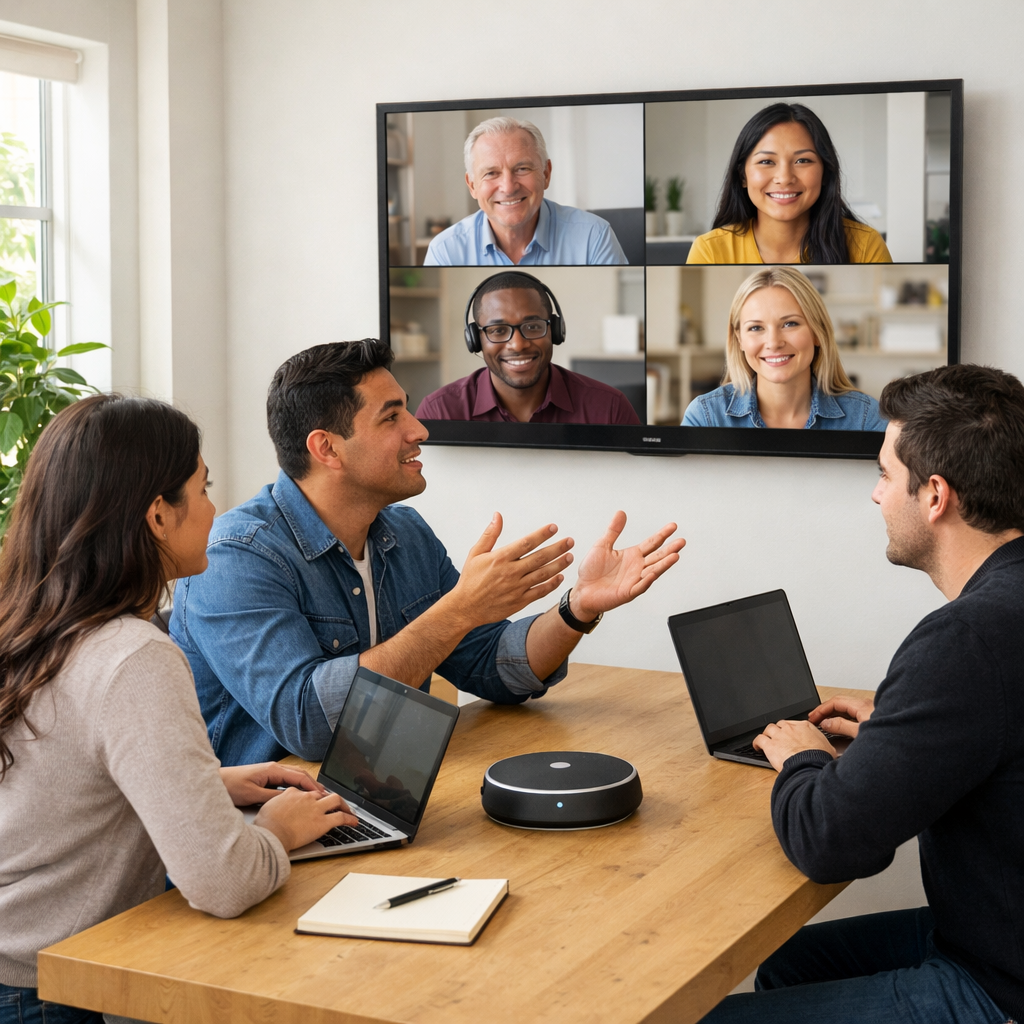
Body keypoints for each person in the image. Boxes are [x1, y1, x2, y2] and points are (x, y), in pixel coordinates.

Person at [0, 395, 357, 1024]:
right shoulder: (132, 654)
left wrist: (208, 785)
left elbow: (52, 782)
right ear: (158, 516)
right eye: (203, 486)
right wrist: (278, 829)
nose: (216, 506)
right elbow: (223, 883)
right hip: (46, 986)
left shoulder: (31, 619)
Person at [170, 339, 682, 767]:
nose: (419, 430)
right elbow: (309, 723)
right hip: (264, 834)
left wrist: (578, 609)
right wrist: (459, 609)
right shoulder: (235, 557)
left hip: (381, 793)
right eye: (392, 417)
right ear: (327, 449)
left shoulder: (403, 532)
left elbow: (492, 666)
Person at [700, 363, 1024, 1024]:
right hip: (1000, 933)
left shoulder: (965, 638)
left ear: (935, 496)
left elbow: (832, 843)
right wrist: (898, 724)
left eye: (883, 474)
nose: (876, 496)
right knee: (792, 961)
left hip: (1001, 987)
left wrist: (802, 757)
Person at [417, 271, 642, 424]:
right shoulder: (439, 412)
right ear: (476, 340)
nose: (518, 344)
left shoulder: (609, 409)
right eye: (498, 330)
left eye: (533, 326)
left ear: (554, 330)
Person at [682, 266, 885, 430]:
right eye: (755, 327)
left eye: (790, 324)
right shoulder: (705, 416)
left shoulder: (866, 418)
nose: (773, 342)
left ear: (817, 332)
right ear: (739, 339)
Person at [687, 103, 892, 265]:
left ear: (825, 173)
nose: (784, 178)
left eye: (803, 161)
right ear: (742, 176)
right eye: (766, 162)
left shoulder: (865, 246)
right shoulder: (709, 251)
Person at [423, 116, 627, 266]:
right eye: (491, 173)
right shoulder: (445, 251)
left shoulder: (594, 236)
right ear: (472, 185)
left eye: (522, 169)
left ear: (546, 174)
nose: (508, 187)